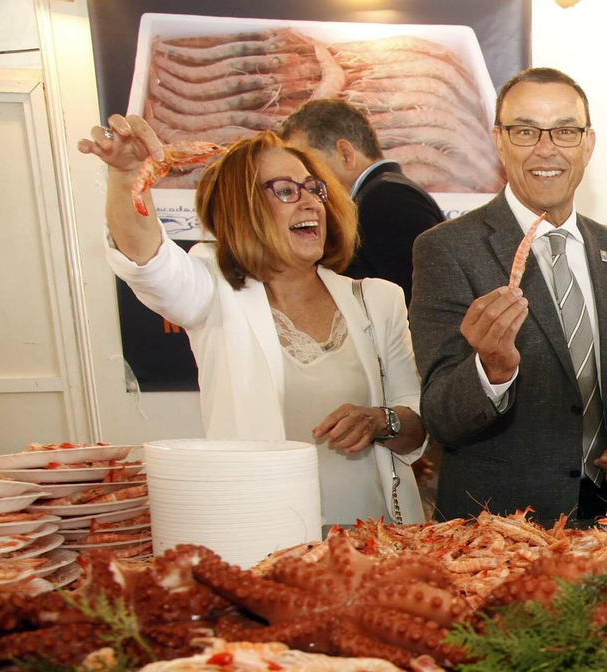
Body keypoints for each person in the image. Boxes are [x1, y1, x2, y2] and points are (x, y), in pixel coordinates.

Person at [81, 118, 426, 526]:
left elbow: (417, 426)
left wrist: (381, 420)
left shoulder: (377, 300)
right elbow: (147, 260)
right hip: (263, 540)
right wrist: (126, 175)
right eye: (286, 191)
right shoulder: (213, 291)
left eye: (314, 188)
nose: (311, 202)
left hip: (379, 538)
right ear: (241, 209)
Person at [410, 67, 607, 521]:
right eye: (525, 131)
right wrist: (491, 370)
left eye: (564, 131)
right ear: (498, 141)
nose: (546, 148)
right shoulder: (447, 248)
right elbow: (439, 417)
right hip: (498, 527)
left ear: (588, 144)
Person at [279, 99, 444, 305]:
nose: (303, 176)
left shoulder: (387, 198)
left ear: (345, 154)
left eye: (307, 162)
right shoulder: (385, 193)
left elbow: (423, 303)